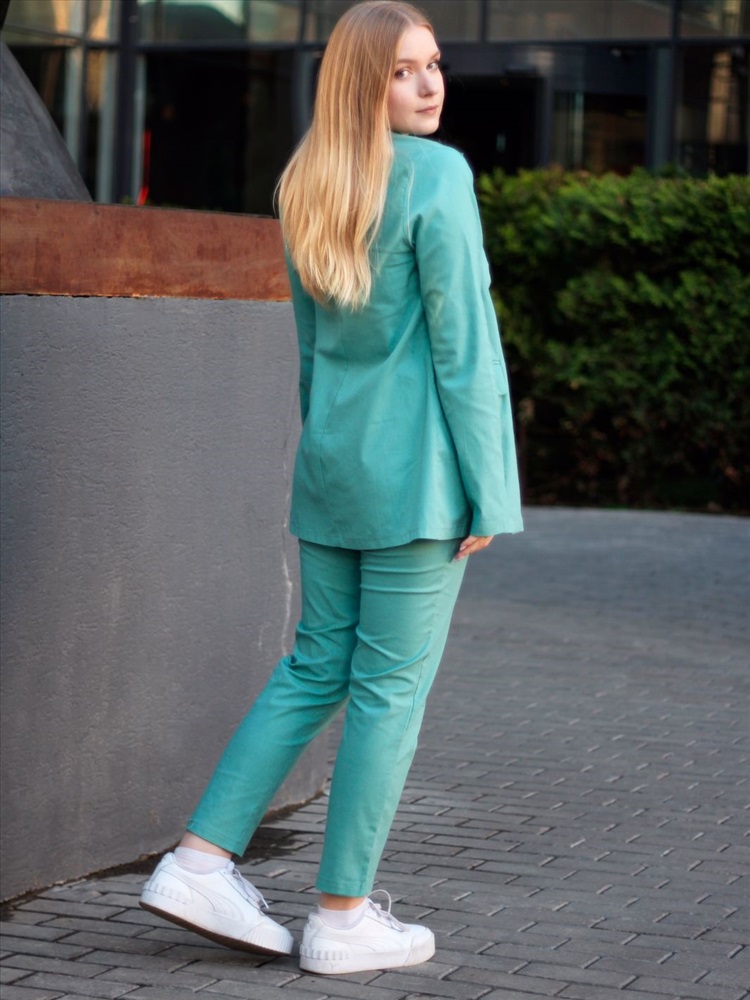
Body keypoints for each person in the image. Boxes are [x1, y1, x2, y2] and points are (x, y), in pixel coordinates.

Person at [139, 0, 522, 976]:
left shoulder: (307, 180)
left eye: (434, 64)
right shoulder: (437, 174)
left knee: (316, 669)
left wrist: (330, 460)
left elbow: (312, 356)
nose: (429, 84)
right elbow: (464, 346)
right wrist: (492, 487)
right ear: (362, 82)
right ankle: (344, 916)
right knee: (388, 693)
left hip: (337, 469)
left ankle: (198, 861)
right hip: (420, 480)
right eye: (403, 70)